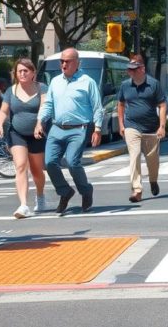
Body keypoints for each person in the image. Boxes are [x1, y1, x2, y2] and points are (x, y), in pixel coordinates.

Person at [35, 47, 103, 214]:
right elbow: (48, 104)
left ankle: (86, 191)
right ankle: (65, 192)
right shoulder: (55, 81)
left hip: (79, 129)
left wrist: (98, 129)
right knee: (49, 163)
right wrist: (40, 122)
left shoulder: (88, 82)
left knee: (72, 162)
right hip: (56, 128)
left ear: (77, 63)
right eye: (62, 61)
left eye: (67, 61)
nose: (64, 64)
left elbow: (97, 107)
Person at [0, 59, 49, 218]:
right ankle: (24, 205)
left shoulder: (42, 88)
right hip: (16, 133)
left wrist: (39, 124)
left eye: (26, 71)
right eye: (20, 71)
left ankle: (40, 195)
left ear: (33, 73)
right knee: (20, 166)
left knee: (37, 170)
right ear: (16, 74)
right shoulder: (11, 91)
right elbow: (4, 111)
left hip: (36, 135)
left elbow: (44, 108)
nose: (23, 74)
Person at [118, 52, 168, 202]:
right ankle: (137, 190)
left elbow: (163, 105)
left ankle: (153, 180)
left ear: (142, 68)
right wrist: (121, 125)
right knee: (134, 156)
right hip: (131, 126)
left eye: (133, 69)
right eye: (129, 69)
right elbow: (120, 105)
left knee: (152, 161)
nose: (130, 72)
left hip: (151, 128)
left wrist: (162, 126)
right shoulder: (125, 85)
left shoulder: (153, 84)